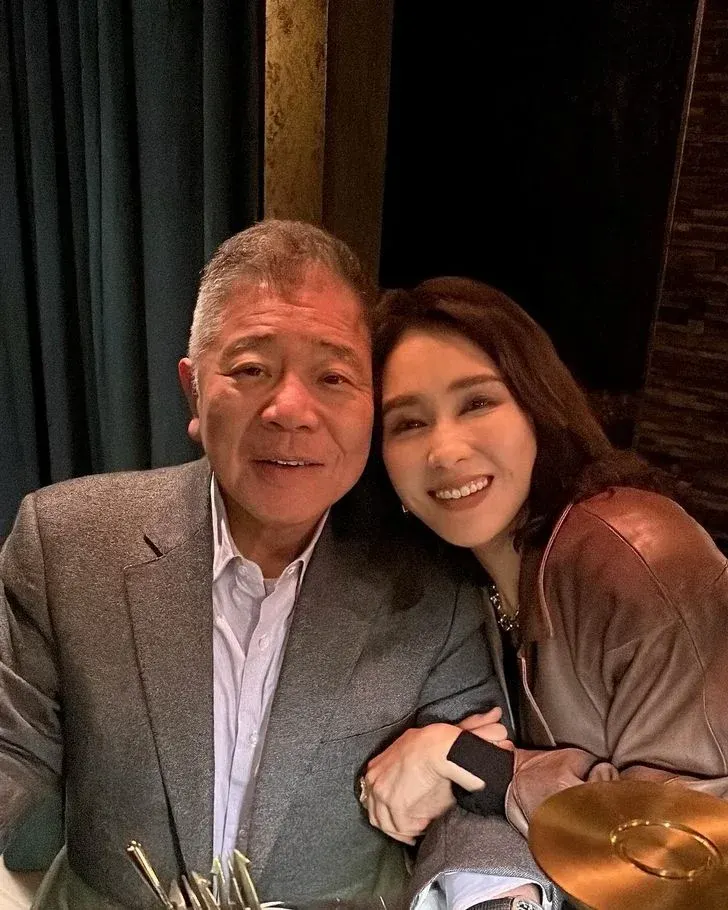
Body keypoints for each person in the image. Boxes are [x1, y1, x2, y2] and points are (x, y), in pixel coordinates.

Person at [0, 224, 556, 910]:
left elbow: (474, 803)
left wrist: (497, 897)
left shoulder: (431, 582)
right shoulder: (65, 541)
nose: (290, 410)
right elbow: (12, 745)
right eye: (251, 370)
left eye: (333, 377)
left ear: (370, 406)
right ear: (193, 391)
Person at [361, 276, 728, 847]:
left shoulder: (636, 558)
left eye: (477, 402)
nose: (446, 451)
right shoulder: (463, 579)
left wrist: (470, 765)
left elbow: (689, 834)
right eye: (408, 423)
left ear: (536, 406)